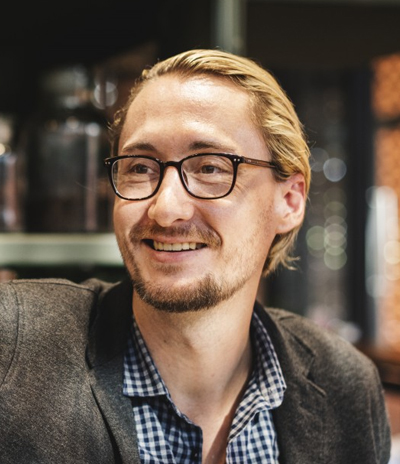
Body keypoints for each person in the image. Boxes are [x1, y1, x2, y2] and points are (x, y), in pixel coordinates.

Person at [0, 49, 391, 464]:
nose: (166, 209)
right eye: (139, 168)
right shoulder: (14, 349)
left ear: (290, 201)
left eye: (210, 168)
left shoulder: (345, 385)